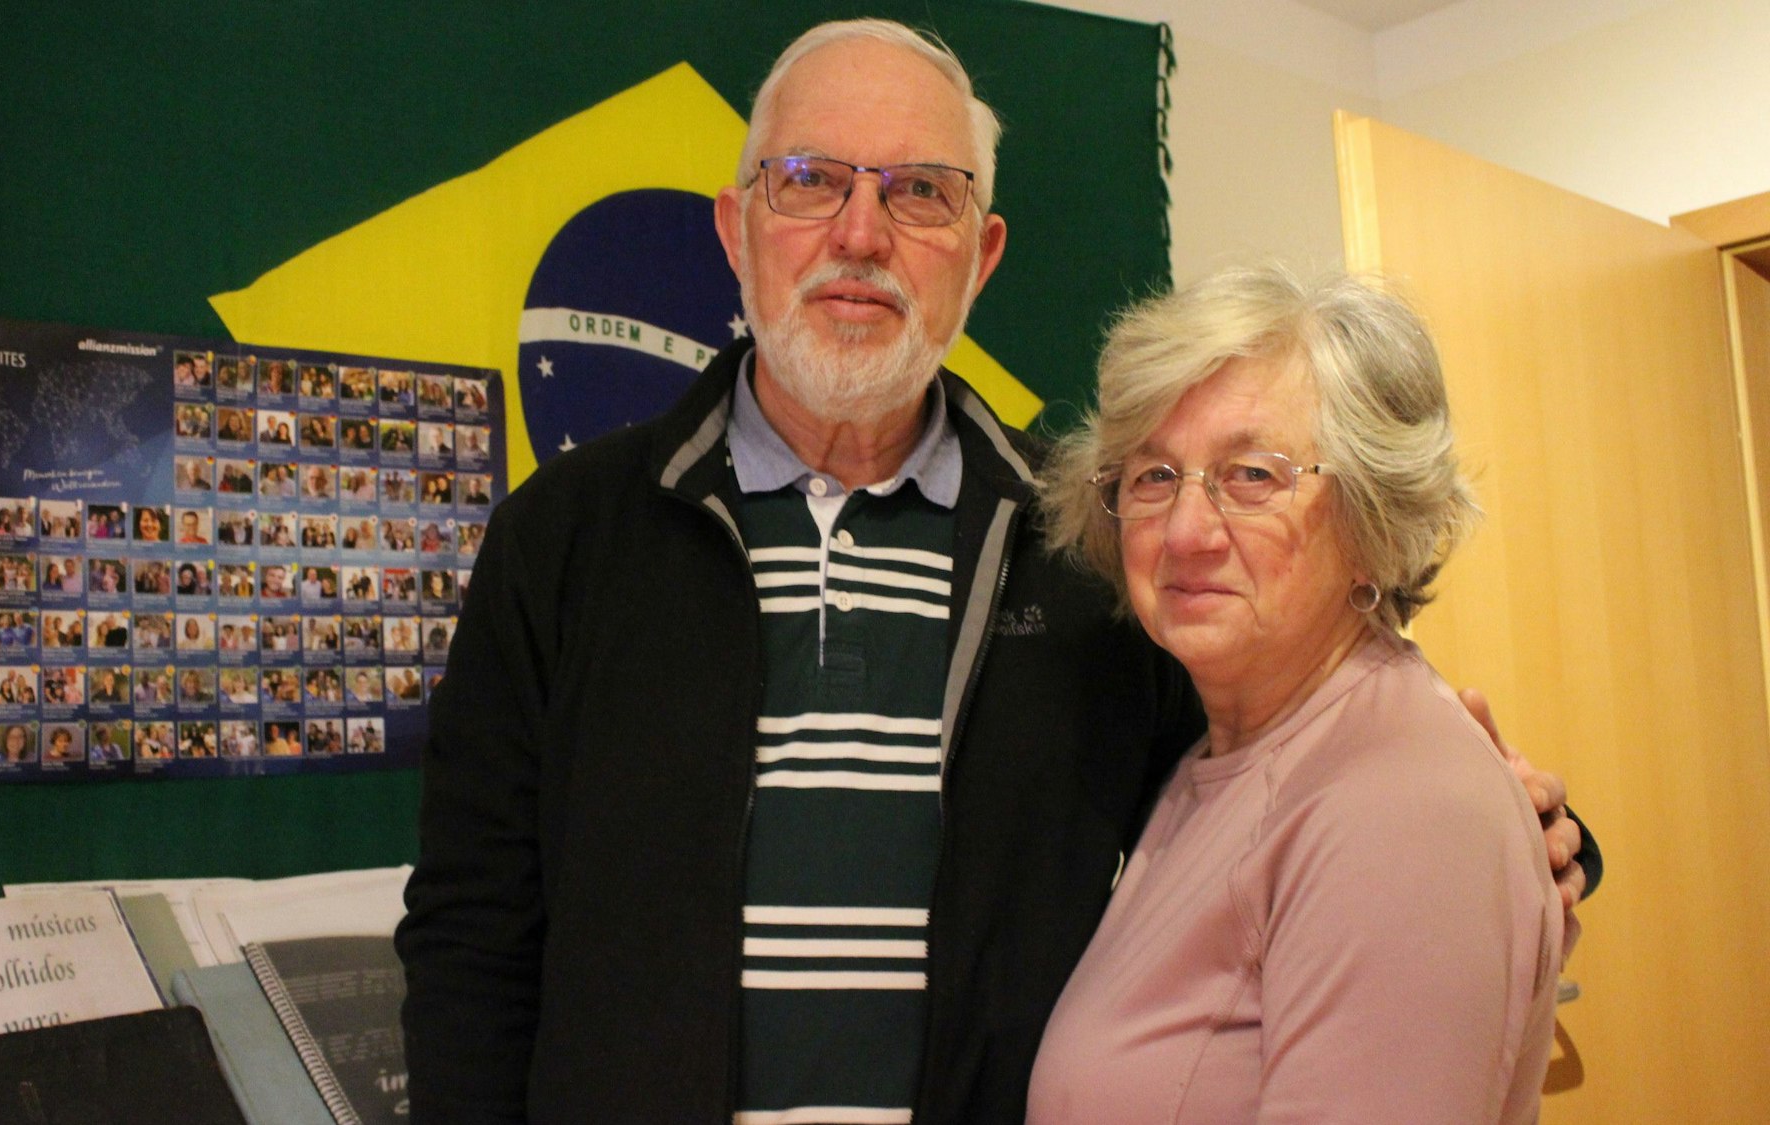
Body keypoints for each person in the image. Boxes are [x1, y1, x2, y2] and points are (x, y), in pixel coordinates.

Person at [395, 20, 1592, 1125]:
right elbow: (470, 941)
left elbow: (1290, 758)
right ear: (735, 228)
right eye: (809, 181)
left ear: (981, 252)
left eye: (920, 192)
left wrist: (1534, 832)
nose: (859, 236)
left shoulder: (1083, 543)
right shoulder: (564, 539)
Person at [1025, 265, 1561, 1122]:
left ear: (1370, 518)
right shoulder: (1217, 760)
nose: (1188, 532)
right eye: (1154, 476)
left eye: (1252, 476)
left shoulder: (1404, 809)